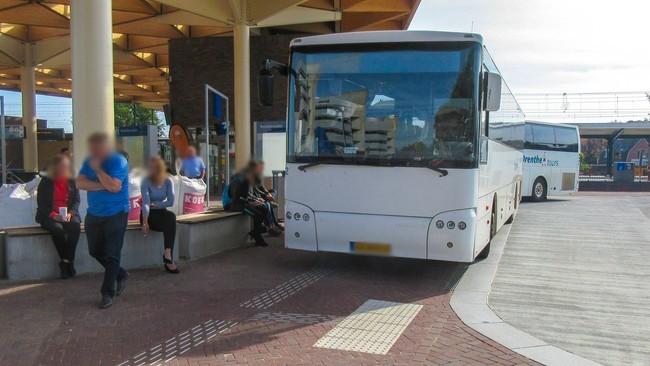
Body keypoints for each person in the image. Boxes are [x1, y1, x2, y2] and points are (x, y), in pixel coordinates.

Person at [76, 132, 130, 309]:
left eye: (96, 149)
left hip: (116, 213)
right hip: (94, 214)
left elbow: (115, 187)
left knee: (112, 253)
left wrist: (98, 171)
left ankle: (107, 293)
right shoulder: (88, 161)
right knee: (94, 251)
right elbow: (80, 183)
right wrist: (102, 185)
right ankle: (120, 274)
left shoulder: (118, 161)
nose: (93, 152)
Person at [35, 154, 81, 279]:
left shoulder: (72, 180)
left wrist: (70, 214)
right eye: (61, 166)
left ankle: (66, 262)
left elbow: (76, 200)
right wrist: (54, 216)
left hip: (68, 214)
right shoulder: (46, 181)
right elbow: (42, 204)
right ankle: (68, 263)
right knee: (57, 230)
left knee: (75, 227)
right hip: (49, 215)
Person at [140, 157, 179, 274]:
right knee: (169, 221)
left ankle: (167, 254)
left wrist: (157, 205)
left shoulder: (168, 181)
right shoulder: (145, 181)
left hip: (160, 211)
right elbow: (146, 203)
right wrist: (145, 222)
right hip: (148, 214)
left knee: (171, 217)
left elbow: (171, 202)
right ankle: (169, 261)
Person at [224, 161, 270, 247]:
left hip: (246, 203)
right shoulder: (239, 181)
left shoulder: (248, 181)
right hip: (237, 205)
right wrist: (251, 202)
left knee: (264, 208)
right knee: (258, 214)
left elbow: (249, 195)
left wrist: (257, 200)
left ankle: (257, 231)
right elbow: (237, 197)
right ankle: (257, 236)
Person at [252, 161, 283, 233]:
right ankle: (271, 226)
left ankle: (274, 223)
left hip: (261, 195)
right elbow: (255, 190)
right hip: (256, 196)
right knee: (267, 204)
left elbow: (262, 187)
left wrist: (268, 194)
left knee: (273, 191)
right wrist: (265, 195)